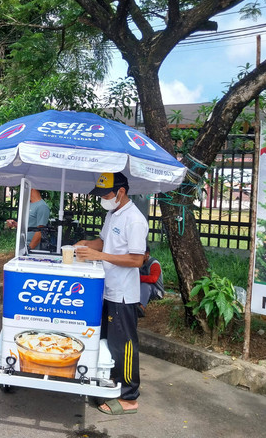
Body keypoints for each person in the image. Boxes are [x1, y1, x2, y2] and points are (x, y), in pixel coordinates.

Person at [75, 172, 148, 415]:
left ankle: (129, 396)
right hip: (108, 288)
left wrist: (100, 256)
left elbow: (137, 259)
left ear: (121, 192)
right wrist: (84, 244)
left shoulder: (135, 220)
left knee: (124, 345)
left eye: (106, 194)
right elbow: (103, 242)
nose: (103, 199)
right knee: (107, 342)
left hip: (124, 294)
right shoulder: (113, 213)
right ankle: (108, 383)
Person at [138, 247, 164, 316]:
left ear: (147, 254)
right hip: (142, 290)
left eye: (141, 254)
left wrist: (137, 278)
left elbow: (153, 279)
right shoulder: (139, 263)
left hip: (156, 291)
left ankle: (141, 308)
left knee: (145, 285)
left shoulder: (154, 264)